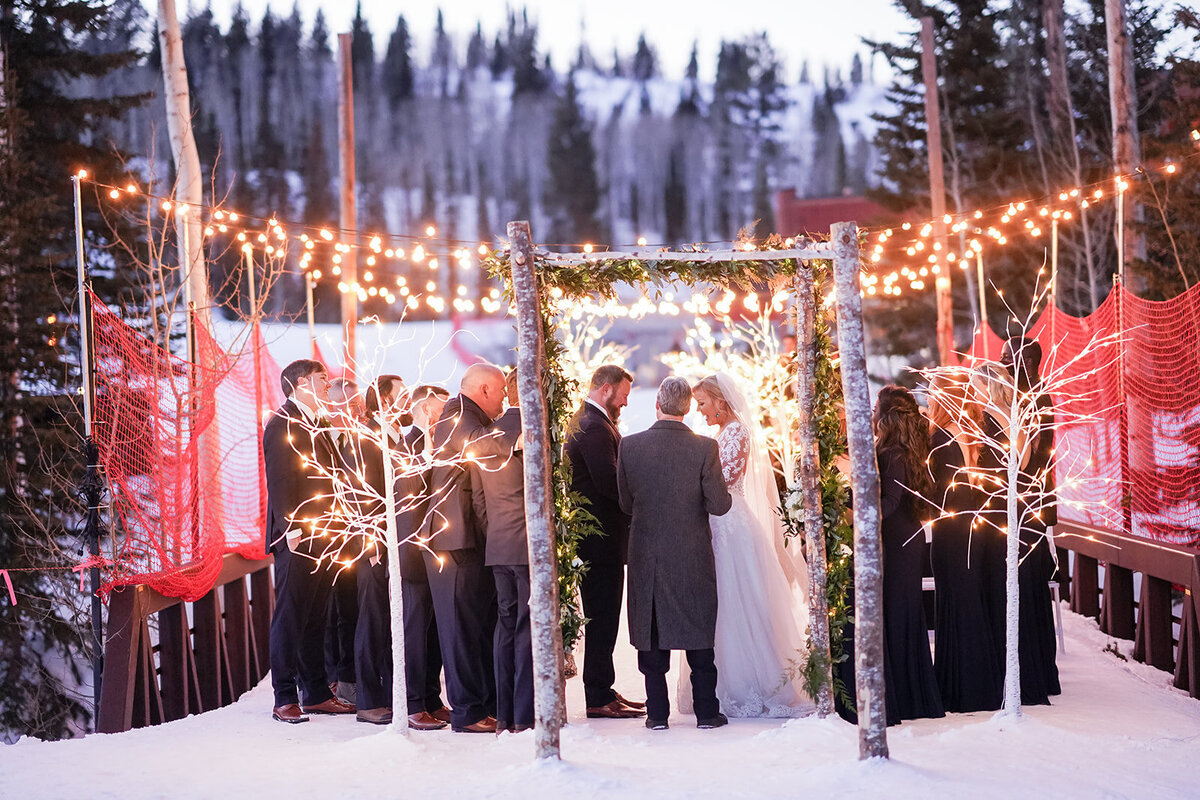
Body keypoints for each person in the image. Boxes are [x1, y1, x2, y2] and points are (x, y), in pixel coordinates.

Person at [678, 374, 814, 718]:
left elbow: (723, 481)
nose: (700, 410)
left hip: (731, 524)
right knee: (722, 601)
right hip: (719, 522)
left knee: (737, 599)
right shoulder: (721, 434)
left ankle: (750, 683)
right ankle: (721, 682)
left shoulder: (737, 433)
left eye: (704, 403)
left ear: (721, 402)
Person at [617, 377, 733, 730]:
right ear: (686, 407)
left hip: (646, 554)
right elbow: (720, 505)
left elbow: (625, 503)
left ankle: (656, 715)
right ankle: (707, 713)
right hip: (692, 555)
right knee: (698, 633)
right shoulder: (704, 448)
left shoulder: (630, 447)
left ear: (658, 403)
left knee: (650, 635)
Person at [263, 359, 355, 723]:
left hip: (326, 532)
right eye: (322, 379)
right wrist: (293, 529)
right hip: (299, 536)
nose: (328, 385)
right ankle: (284, 696)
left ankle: (315, 691)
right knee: (291, 615)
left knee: (317, 615)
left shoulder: (320, 422)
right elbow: (282, 481)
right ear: (301, 382)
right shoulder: (282, 424)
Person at [423, 363, 507, 733]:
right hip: (451, 540)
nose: (505, 400)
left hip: (467, 539)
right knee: (459, 630)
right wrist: (521, 433)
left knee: (475, 627)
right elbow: (479, 446)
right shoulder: (456, 414)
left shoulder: (468, 414)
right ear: (484, 389)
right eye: (502, 392)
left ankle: (482, 705)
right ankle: (467, 713)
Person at [980, 339, 1061, 706]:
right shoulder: (1026, 400)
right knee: (1030, 589)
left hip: (1026, 503)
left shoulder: (1032, 403)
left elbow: (1032, 461)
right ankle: (1039, 669)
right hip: (1029, 503)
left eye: (1007, 361)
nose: (1003, 368)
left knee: (1026, 586)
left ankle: (1033, 672)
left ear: (1026, 362)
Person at [565, 365, 645, 719]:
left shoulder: (589, 420)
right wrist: (641, 498)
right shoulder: (594, 427)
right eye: (625, 395)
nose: (626, 403)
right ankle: (597, 696)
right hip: (599, 540)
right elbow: (608, 483)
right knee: (602, 617)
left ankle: (603, 688)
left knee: (605, 617)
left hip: (598, 538)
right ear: (607, 390)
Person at [927, 370, 1003, 712]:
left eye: (931, 393)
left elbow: (937, 493)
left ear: (944, 398)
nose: (927, 399)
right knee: (969, 603)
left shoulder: (942, 439)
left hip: (954, 530)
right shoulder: (971, 433)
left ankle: (965, 689)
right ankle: (976, 685)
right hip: (974, 527)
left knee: (958, 603)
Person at [874, 385, 945, 723]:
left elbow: (887, 505)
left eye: (876, 407)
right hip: (906, 538)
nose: (872, 414)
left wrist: (848, 502)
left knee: (899, 615)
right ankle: (907, 693)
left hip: (899, 543)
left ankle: (904, 697)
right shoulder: (904, 450)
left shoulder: (893, 455)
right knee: (902, 614)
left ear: (887, 417)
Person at [471, 370, 534, 733]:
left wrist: (494, 533)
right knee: (527, 628)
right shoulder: (533, 432)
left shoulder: (485, 435)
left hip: (497, 544)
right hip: (527, 547)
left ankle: (504, 715)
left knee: (505, 627)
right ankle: (525, 717)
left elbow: (479, 501)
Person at [351, 374, 416, 726]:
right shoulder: (367, 437)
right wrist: (372, 541)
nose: (407, 399)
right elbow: (361, 492)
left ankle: (393, 693)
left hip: (398, 541)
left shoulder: (397, 436)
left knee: (390, 620)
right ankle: (368, 700)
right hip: (375, 543)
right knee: (372, 618)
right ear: (385, 400)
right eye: (401, 393)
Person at [395, 384, 452, 730]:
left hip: (434, 551)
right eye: (443, 408)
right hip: (415, 550)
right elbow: (413, 496)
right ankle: (414, 702)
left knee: (432, 631)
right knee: (416, 630)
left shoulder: (436, 442)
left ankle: (431, 696)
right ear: (428, 409)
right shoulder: (412, 444)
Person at [324, 376, 362, 707]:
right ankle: (331, 678)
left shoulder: (362, 440)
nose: (359, 411)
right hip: (326, 537)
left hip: (356, 539)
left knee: (350, 611)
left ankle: (348, 679)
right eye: (354, 405)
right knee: (327, 613)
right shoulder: (318, 439)